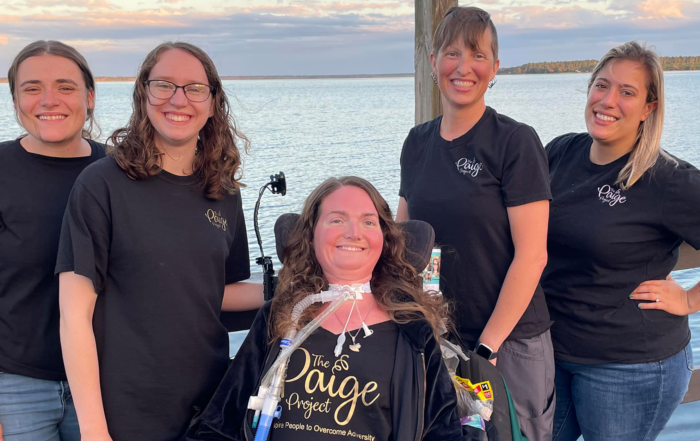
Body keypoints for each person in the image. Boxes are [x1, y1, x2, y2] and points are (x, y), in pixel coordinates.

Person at [55, 42, 263, 441]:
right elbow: (74, 317)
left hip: (211, 409)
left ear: (213, 101)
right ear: (143, 94)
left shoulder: (223, 191)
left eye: (194, 88)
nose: (178, 100)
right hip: (127, 412)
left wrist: (300, 285)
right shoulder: (101, 185)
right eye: (164, 85)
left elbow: (213, 292)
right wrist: (94, 430)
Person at [182, 176, 480, 441]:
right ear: (311, 236)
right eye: (337, 219)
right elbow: (218, 425)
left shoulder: (413, 331)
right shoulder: (280, 318)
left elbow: (442, 432)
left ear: (383, 238)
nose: (353, 232)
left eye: (368, 221)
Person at [397, 6, 554, 440]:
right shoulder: (417, 143)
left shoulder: (514, 142)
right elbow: (408, 245)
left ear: (495, 68)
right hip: (438, 339)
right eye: (451, 54)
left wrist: (488, 345)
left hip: (510, 343)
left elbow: (532, 255)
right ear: (433, 63)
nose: (464, 68)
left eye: (478, 55)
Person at [542, 41, 700, 441]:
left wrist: (688, 300)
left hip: (629, 368)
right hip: (553, 351)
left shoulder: (668, 179)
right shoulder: (562, 152)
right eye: (601, 85)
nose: (608, 100)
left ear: (649, 107)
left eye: (627, 92)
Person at [0, 40, 105, 440]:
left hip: (104, 383)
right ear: (15, 100)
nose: (48, 100)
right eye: (31, 88)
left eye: (65, 86)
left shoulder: (119, 174)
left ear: (89, 97)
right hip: (15, 387)